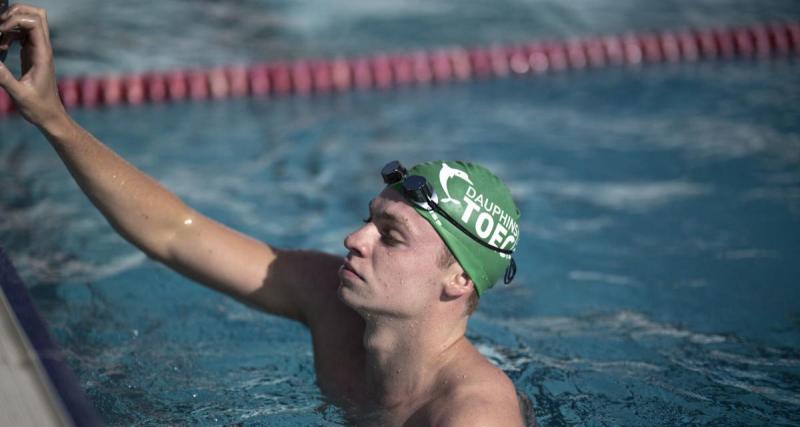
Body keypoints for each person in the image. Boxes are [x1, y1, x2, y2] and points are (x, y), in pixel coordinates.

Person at [0, 5, 528, 426]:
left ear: (458, 277)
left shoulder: (473, 415)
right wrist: (54, 118)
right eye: (370, 219)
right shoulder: (328, 298)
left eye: (390, 236)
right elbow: (172, 233)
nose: (353, 238)